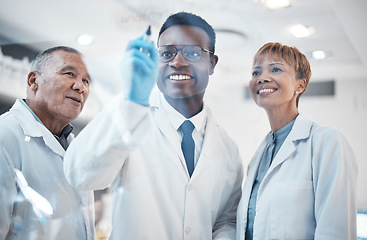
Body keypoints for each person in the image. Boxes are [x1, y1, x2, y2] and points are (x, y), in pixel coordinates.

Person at [64, 12, 244, 239]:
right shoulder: (129, 113)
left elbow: (226, 220)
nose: (177, 62)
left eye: (191, 53)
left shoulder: (228, 149)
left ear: (211, 63)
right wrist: (133, 101)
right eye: (167, 53)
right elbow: (80, 174)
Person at [236, 42, 358, 240]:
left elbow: (336, 232)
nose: (262, 78)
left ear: (301, 84)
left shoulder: (326, 142)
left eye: (275, 69)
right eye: (256, 72)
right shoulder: (259, 156)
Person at [0, 46, 95, 240]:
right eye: (69, 74)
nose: (81, 87)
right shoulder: (5, 136)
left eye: (86, 80)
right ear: (33, 81)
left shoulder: (76, 147)